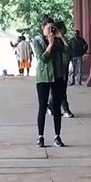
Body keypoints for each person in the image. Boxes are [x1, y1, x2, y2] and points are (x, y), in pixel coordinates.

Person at [32, 18, 69, 147]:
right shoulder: (38, 41)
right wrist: (50, 44)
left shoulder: (58, 41)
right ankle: (40, 136)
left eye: (53, 28)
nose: (51, 31)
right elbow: (42, 58)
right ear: (43, 28)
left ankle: (57, 136)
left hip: (57, 76)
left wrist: (61, 37)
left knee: (56, 107)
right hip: (43, 77)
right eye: (48, 28)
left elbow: (68, 52)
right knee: (42, 107)